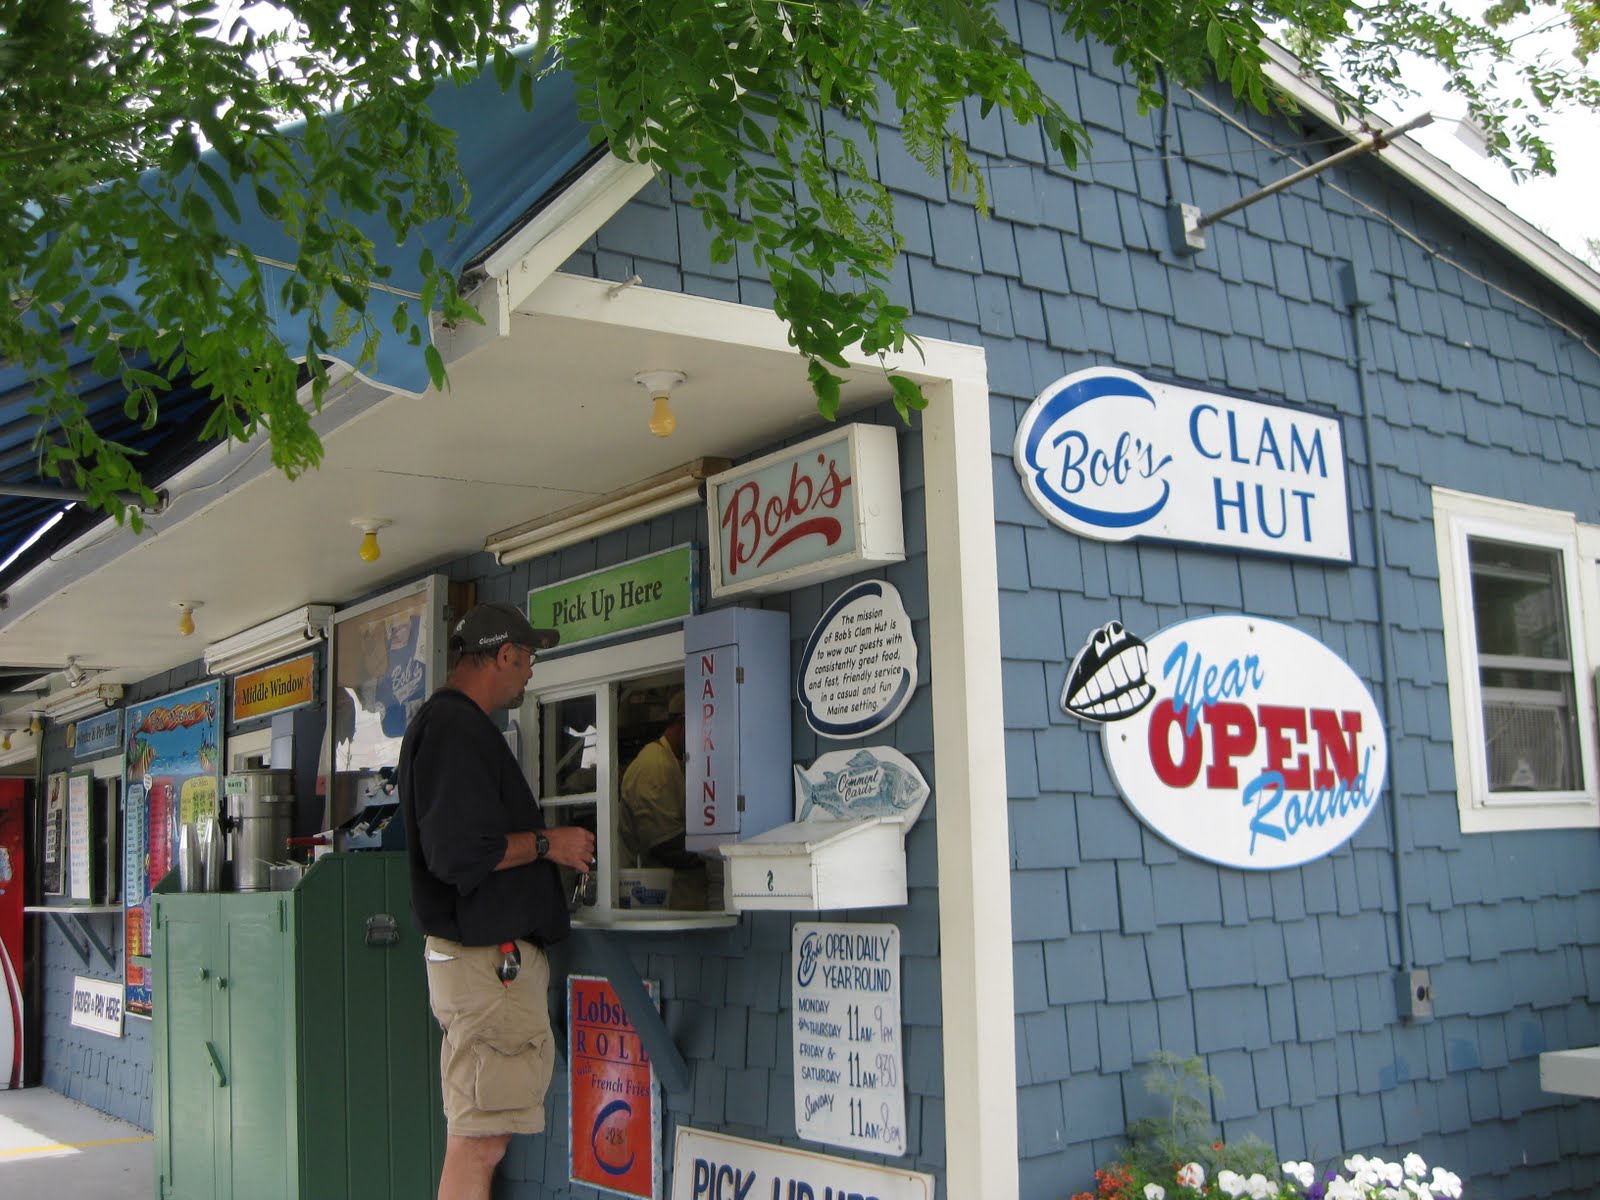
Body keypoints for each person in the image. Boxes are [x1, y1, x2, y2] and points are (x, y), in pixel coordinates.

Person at [398, 602, 596, 1200]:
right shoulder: (456, 728)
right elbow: (460, 855)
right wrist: (548, 843)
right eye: (529, 657)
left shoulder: (451, 726)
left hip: (486, 966)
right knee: (479, 1141)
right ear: (504, 655)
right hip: (490, 967)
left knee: (484, 1136)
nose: (531, 672)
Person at [619, 689, 707, 910]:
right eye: (702, 726)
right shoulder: (654, 765)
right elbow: (665, 845)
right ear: (682, 722)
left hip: (688, 898)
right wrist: (718, 854)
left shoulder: (677, 762)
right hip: (663, 900)